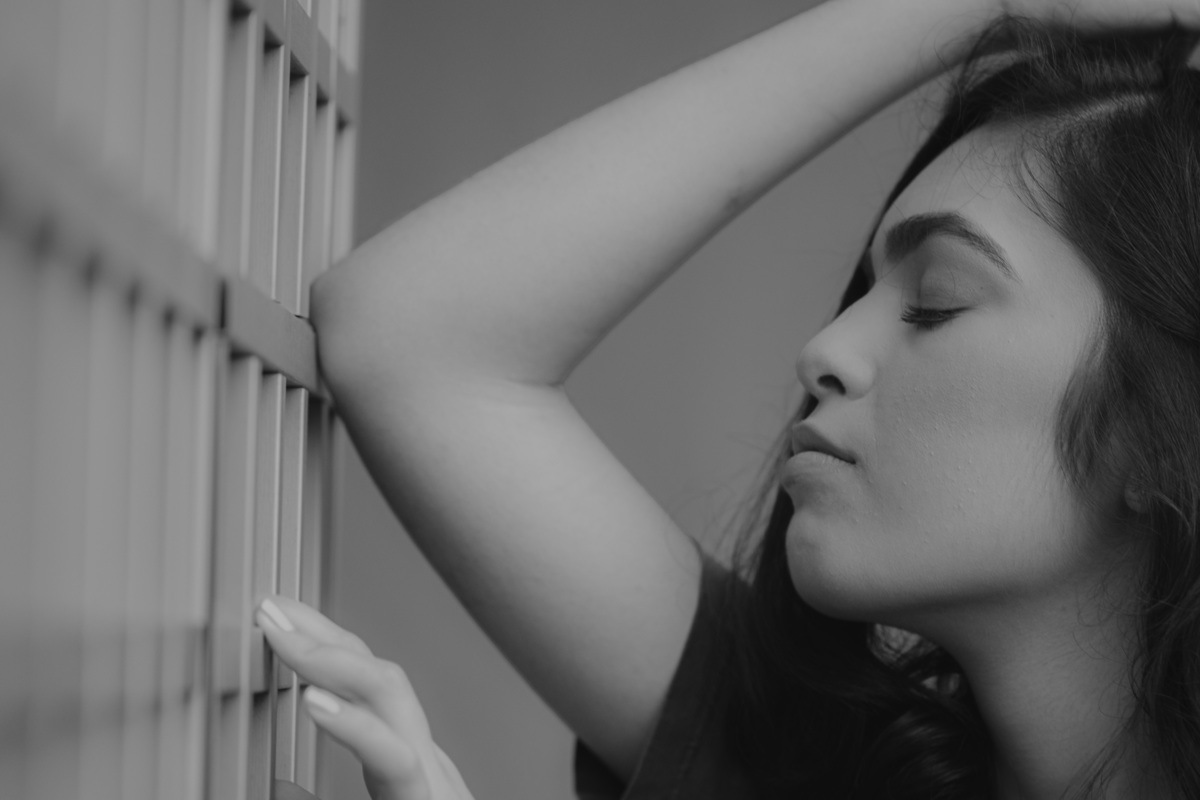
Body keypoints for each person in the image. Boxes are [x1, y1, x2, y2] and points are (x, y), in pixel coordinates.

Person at [255, 0, 1200, 797]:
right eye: (865, 292)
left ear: (1164, 430)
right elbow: (410, 336)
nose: (825, 351)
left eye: (937, 302)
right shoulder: (815, 766)